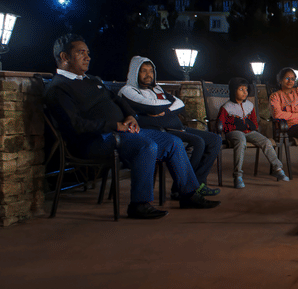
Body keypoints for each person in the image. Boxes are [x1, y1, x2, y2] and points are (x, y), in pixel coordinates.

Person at [44, 34, 220, 219]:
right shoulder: (59, 88)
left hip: (123, 132)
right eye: (81, 53)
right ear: (64, 57)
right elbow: (76, 125)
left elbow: (116, 99)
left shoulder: (92, 80)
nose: (88, 57)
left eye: (88, 52)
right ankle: (139, 204)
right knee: (146, 146)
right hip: (94, 140)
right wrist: (115, 125)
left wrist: (131, 116)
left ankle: (188, 195)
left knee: (173, 142)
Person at [118, 56, 221, 200]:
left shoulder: (157, 88)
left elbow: (180, 103)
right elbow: (153, 108)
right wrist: (165, 105)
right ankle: (180, 189)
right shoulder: (128, 90)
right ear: (135, 72)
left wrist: (164, 110)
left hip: (178, 127)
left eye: (151, 71)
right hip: (161, 130)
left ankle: (199, 183)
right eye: (143, 71)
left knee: (215, 139)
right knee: (198, 142)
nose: (149, 75)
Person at [217, 77, 289, 189]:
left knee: (266, 141)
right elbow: (220, 124)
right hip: (234, 132)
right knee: (241, 140)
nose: (245, 92)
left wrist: (252, 127)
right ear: (233, 90)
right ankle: (237, 176)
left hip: (249, 132)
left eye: (246, 89)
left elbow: (254, 122)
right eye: (241, 89)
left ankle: (277, 168)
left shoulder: (249, 106)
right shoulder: (227, 107)